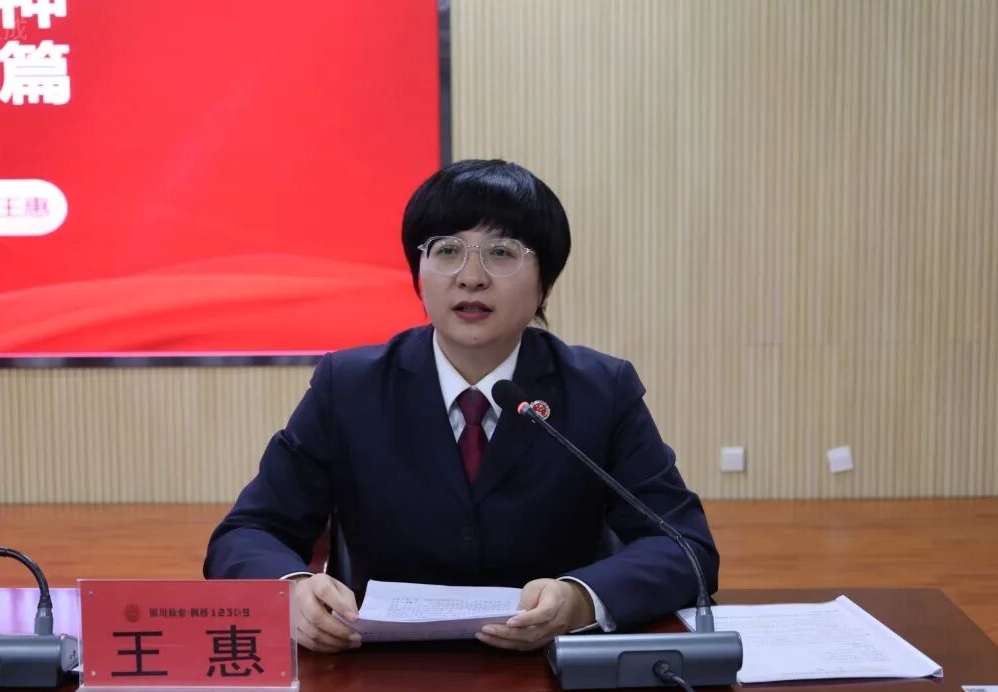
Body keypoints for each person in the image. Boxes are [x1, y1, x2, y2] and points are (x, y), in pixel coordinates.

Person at [204, 159, 719, 653]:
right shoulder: (350, 387)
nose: (471, 277)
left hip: (551, 671)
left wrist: (581, 599)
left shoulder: (600, 389)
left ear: (545, 284)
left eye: (502, 253)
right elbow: (246, 533)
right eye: (447, 250)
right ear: (418, 274)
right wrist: (292, 589)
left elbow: (685, 546)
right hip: (379, 673)